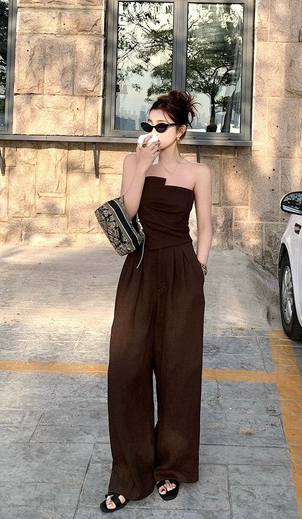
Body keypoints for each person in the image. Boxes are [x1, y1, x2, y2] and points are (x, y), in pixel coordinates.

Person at [101, 89, 213, 513]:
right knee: (126, 368)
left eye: (161, 126)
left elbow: (206, 227)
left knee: (178, 371)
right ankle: (130, 474)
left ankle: (171, 466)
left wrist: (200, 268)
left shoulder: (198, 172)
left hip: (182, 271)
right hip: (139, 269)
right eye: (148, 125)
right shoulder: (133, 162)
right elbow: (128, 213)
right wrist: (142, 164)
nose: (153, 132)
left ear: (180, 130)